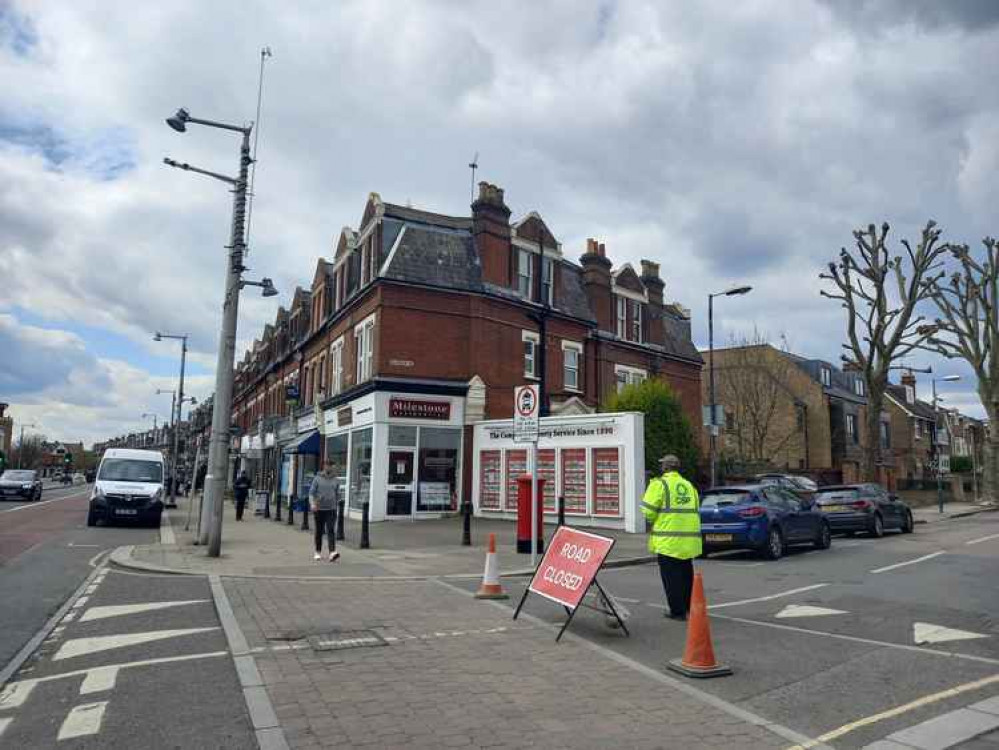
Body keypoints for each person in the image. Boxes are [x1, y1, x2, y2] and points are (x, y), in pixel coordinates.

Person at [641, 454, 701, 621]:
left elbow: (648, 511)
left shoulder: (659, 484)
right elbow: (695, 508)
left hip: (668, 540)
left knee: (671, 578)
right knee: (686, 575)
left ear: (665, 467)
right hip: (689, 541)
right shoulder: (689, 485)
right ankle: (688, 606)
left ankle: (677, 611)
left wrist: (654, 521)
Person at [308, 461, 341, 562]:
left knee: (331, 530)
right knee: (319, 531)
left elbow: (337, 494)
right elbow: (311, 493)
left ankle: (332, 552)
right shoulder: (317, 479)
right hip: (319, 509)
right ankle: (317, 552)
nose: (329, 468)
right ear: (324, 467)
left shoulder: (336, 480)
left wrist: (338, 499)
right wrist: (312, 504)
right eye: (327, 466)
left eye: (331, 466)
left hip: (331, 509)